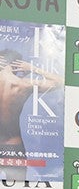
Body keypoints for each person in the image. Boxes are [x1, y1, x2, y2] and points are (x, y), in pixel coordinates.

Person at [0, 49, 63, 181]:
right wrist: (33, 68)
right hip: (14, 146)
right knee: (18, 188)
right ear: (16, 66)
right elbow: (60, 81)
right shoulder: (23, 84)